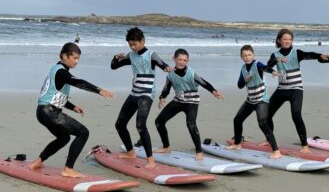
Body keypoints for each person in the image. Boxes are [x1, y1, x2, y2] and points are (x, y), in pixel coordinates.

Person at [29, 42, 114, 178]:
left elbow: (55, 95)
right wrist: (98, 90)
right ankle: (68, 169)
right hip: (50, 112)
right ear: (64, 56)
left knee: (63, 138)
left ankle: (37, 162)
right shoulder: (62, 72)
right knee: (83, 132)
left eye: (78, 58)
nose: (77, 61)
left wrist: (73, 107)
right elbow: (78, 82)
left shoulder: (56, 70)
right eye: (74, 58)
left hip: (42, 111)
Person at [259, 29, 329, 153]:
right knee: (266, 115)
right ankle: (268, 140)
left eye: (289, 39)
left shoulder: (296, 53)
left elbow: (309, 54)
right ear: (279, 41)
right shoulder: (275, 55)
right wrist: (276, 61)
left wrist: (320, 56)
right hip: (282, 90)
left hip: (296, 90)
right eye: (284, 39)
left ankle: (305, 146)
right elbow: (266, 67)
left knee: (296, 114)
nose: (287, 41)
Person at [110, 27, 172, 169]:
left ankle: (150, 160)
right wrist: (115, 58)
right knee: (120, 124)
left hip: (146, 94)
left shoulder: (151, 55)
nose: (132, 47)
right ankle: (131, 152)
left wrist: (167, 68)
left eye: (135, 44)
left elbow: (162, 64)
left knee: (140, 125)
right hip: (134, 93)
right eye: (130, 44)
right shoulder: (131, 55)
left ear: (143, 41)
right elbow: (114, 67)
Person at [154, 49, 224, 160]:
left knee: (191, 124)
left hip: (192, 102)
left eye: (185, 60)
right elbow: (166, 88)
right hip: (178, 101)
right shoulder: (170, 74)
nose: (182, 62)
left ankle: (199, 152)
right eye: (179, 59)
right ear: (174, 59)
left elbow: (203, 82)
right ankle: (166, 147)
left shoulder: (191, 73)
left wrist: (213, 91)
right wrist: (162, 97)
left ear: (187, 61)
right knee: (159, 121)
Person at [225, 45, 282, 159]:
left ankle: (276, 151)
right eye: (245, 55)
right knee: (237, 120)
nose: (247, 57)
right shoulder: (243, 69)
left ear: (253, 55)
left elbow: (265, 68)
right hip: (251, 100)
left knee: (262, 123)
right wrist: (246, 80)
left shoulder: (257, 64)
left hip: (262, 99)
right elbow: (240, 85)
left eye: (249, 55)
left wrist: (273, 72)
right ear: (241, 57)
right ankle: (237, 144)